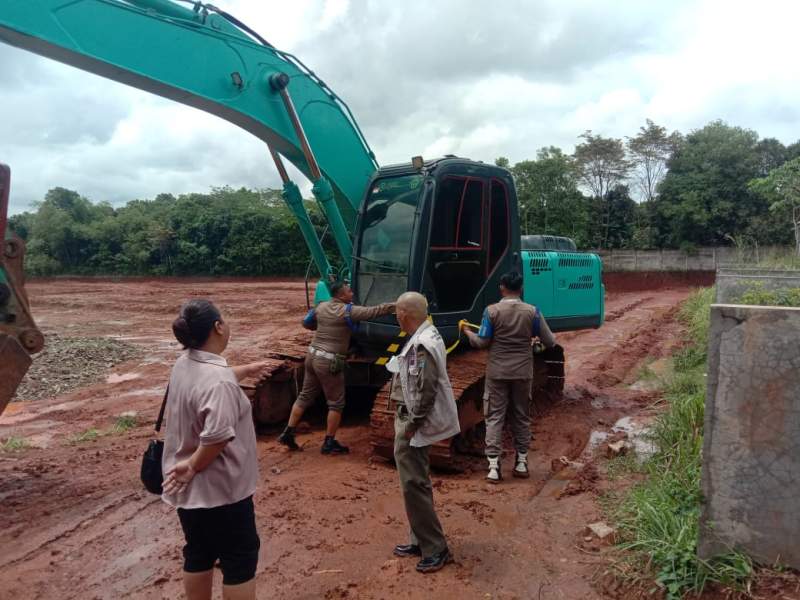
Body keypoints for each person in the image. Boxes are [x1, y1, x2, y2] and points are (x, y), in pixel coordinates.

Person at [162, 299, 269, 600]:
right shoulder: (218, 380)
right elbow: (217, 436)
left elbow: (208, 386)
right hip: (221, 490)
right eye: (226, 318)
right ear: (218, 326)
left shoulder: (184, 364)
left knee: (198, 552)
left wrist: (246, 369)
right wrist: (194, 465)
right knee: (239, 560)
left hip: (189, 493)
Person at [278, 280, 395, 454]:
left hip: (312, 356)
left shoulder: (321, 307)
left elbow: (306, 322)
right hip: (329, 361)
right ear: (341, 295)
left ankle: (288, 432)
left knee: (304, 396)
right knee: (336, 403)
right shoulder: (348, 311)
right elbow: (374, 311)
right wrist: (398, 304)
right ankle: (329, 443)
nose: (352, 294)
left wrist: (323, 327)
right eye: (349, 291)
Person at [388, 291, 459, 573]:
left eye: (397, 313)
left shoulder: (422, 345)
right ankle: (420, 539)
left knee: (413, 484)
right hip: (411, 420)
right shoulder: (428, 334)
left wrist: (411, 426)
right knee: (417, 481)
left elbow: (425, 391)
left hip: (411, 422)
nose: (396, 317)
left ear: (405, 314)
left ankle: (436, 548)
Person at [461, 271, 556, 483]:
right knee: (521, 415)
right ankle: (521, 463)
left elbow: (482, 342)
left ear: (502, 287)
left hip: (497, 372)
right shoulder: (533, 312)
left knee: (494, 416)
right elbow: (550, 341)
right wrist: (535, 344)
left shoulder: (491, 311)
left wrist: (467, 331)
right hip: (523, 372)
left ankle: (494, 467)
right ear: (521, 288)